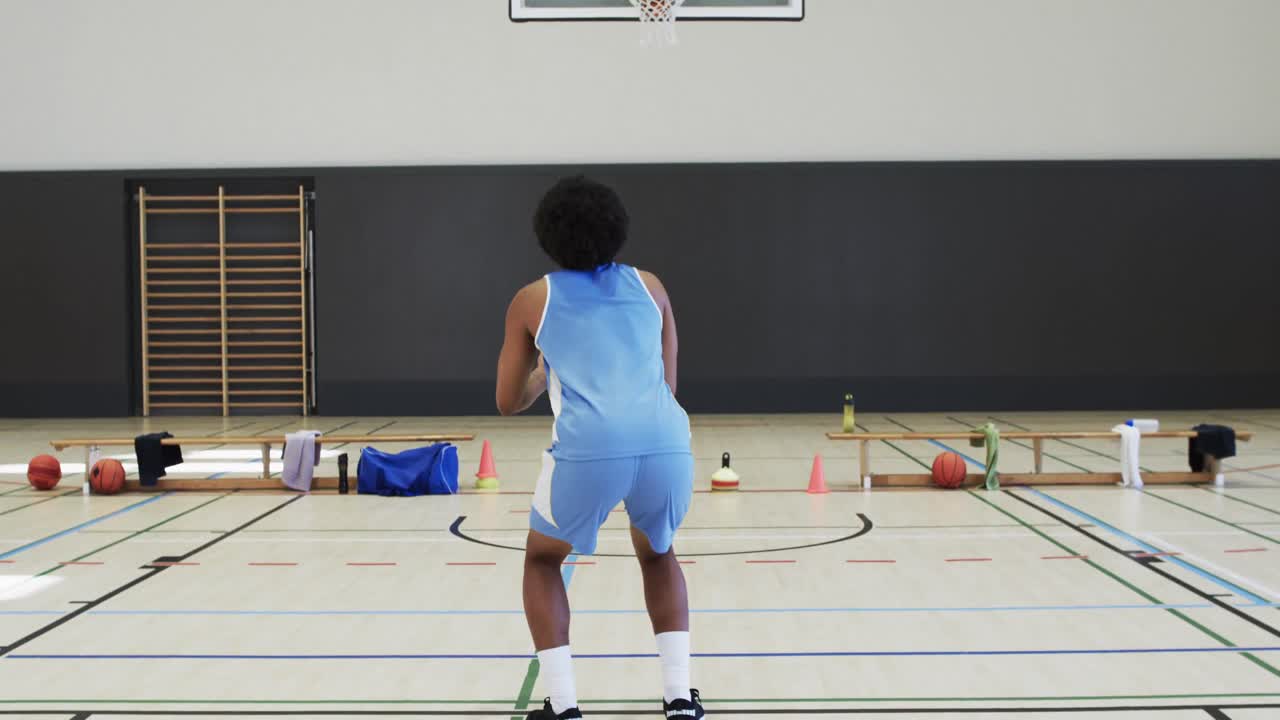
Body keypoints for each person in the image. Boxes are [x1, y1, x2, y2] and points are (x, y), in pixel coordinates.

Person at [495, 176, 702, 720]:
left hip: (590, 448)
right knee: (658, 554)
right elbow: (669, 383)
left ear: (548, 235)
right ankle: (679, 698)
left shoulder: (532, 300)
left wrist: (541, 377)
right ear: (617, 229)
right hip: (666, 441)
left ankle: (563, 705)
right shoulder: (652, 286)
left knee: (542, 562)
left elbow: (506, 401)